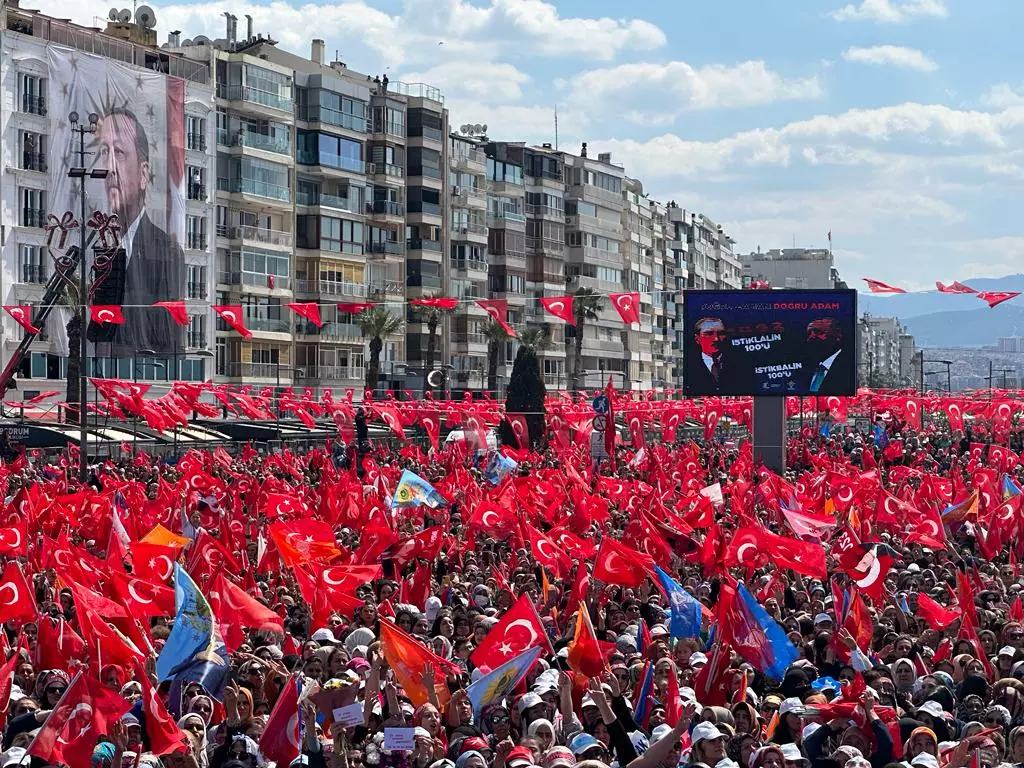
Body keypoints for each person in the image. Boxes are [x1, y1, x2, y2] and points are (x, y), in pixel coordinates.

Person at [93, 106, 185, 357]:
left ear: (144, 174)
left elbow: (171, 332)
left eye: (120, 153)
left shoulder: (167, 251)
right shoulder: (93, 245)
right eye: (104, 152)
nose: (110, 166)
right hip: (101, 369)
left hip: (148, 369)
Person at [803, 318, 854, 395]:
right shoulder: (805, 368)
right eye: (809, 333)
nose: (812, 336)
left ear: (837, 336)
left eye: (818, 332)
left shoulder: (847, 368)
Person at [688, 317, 730, 394]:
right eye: (708, 334)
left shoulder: (739, 363)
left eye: (721, 333)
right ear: (697, 339)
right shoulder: (690, 366)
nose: (716, 339)